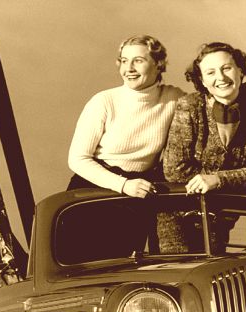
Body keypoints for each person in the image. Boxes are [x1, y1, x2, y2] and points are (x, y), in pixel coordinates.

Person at [161, 41, 246, 252]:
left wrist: (218, 180)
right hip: (178, 213)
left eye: (226, 68)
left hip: (220, 217)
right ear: (202, 80)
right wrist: (230, 180)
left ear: (241, 71)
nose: (221, 78)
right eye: (211, 72)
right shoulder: (189, 106)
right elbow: (174, 170)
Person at [67, 35, 184, 199]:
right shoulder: (104, 101)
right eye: (123, 61)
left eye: (138, 61)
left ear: (158, 64)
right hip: (95, 187)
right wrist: (123, 184)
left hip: (142, 188)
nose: (128, 68)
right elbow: (77, 159)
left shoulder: (173, 98)